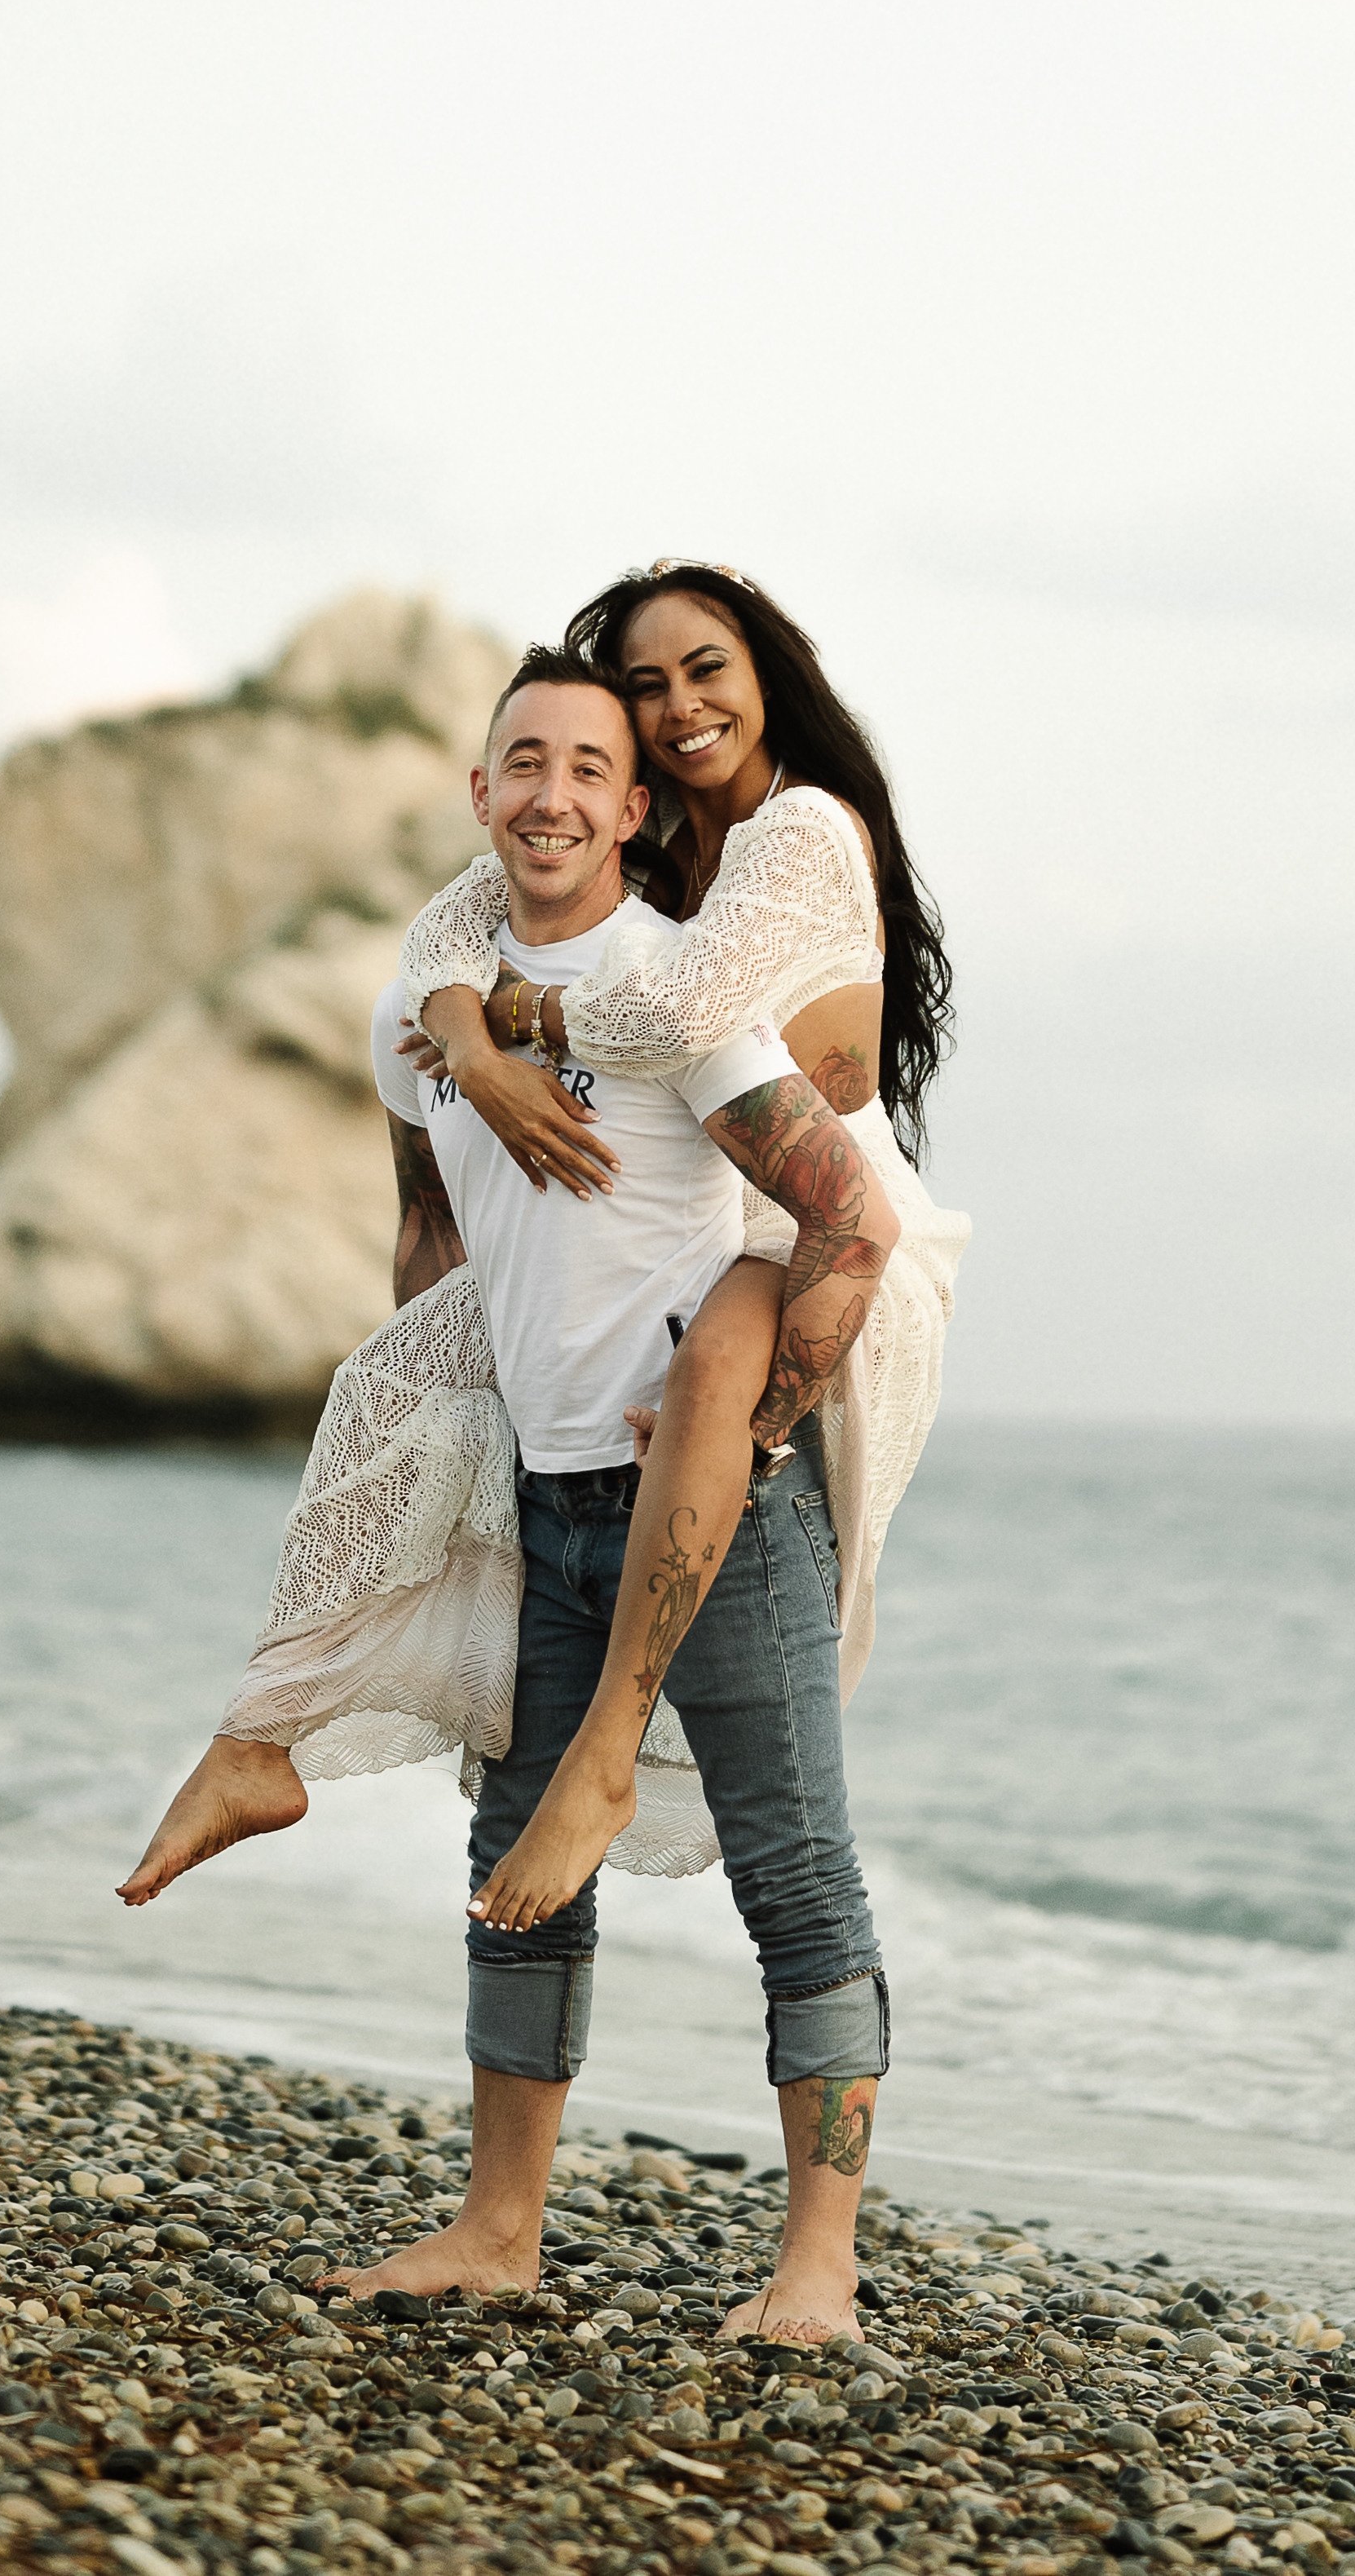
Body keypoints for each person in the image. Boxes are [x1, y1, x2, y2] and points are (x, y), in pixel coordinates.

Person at [126, 645, 900, 2340]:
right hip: (547, 1498)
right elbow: (429, 1244)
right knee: (509, 1859)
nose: (551, 794)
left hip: (716, 1516)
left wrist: (748, 1413)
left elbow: (851, 1213)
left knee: (797, 1872)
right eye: (520, 763)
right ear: (480, 799)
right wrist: (432, 1434)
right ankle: (499, 2228)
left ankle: (820, 2268)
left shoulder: (676, 998)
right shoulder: (428, 1025)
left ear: (636, 810)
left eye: (585, 769)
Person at [394, 563, 967, 1933]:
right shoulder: (664, 856)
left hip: (838, 1240)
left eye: (705, 668)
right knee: (416, 1364)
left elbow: (680, 1013)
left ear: (768, 671)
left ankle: (605, 1756)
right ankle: (279, 1728)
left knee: (716, 1360)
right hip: (726, 1235)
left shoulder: (802, 828)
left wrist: (523, 1025)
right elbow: (439, 937)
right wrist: (467, 1049)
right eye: (645, 685)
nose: (679, 704)